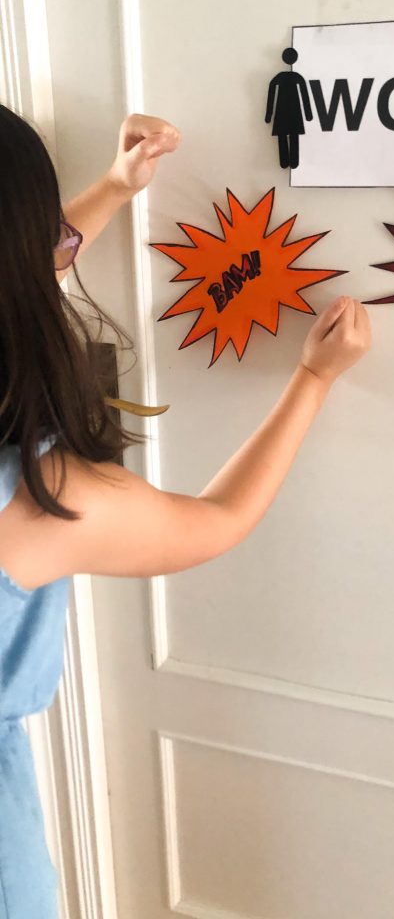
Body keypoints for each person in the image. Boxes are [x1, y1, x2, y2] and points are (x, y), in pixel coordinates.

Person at [0, 105, 371, 918]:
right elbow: (217, 520)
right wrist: (313, 381)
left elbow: (23, 272)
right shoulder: (39, 498)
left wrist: (114, 187)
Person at [265, 47, 313, 169]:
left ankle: (285, 161)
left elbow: (271, 94)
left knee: (282, 136)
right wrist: (308, 114)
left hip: (281, 111)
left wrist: (269, 115)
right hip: (294, 111)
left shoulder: (279, 77)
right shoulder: (297, 77)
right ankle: (292, 162)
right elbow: (305, 95)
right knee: (293, 136)